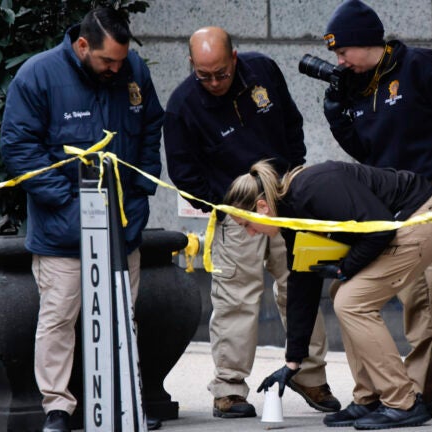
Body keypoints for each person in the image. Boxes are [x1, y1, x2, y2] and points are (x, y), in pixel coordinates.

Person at [319, 0, 432, 418]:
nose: (340, 62)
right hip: (401, 197)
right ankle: (422, 389)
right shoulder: (360, 86)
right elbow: (366, 151)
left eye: (343, 52)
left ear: (365, 42)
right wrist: (338, 116)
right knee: (415, 294)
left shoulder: (420, 66)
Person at [0, 7, 164, 432]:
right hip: (63, 232)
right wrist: (70, 204)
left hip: (123, 227)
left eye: (121, 61)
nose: (116, 68)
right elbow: (19, 148)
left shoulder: (132, 70)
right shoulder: (38, 75)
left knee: (121, 319)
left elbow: (149, 127)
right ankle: (59, 408)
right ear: (82, 45)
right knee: (58, 321)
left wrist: (142, 192)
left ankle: (123, 401)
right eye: (107, 61)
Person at [162, 26, 340, 418]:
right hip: (236, 213)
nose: (213, 82)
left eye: (221, 73)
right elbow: (185, 176)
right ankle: (228, 388)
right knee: (235, 299)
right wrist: (232, 203)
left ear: (235, 58)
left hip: (285, 200)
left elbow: (292, 123)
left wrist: (292, 179)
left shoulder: (263, 71)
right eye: (203, 74)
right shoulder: (182, 106)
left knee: (300, 285)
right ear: (191, 65)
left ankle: (310, 375)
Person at [226, 159, 432, 429]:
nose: (251, 234)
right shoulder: (291, 215)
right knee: (343, 295)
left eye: (246, 225)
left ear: (262, 208)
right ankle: (368, 399)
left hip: (424, 215)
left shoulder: (314, 189)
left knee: (352, 301)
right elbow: (302, 282)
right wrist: (292, 362)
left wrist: (344, 268)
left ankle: (402, 402)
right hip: (404, 220)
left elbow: (379, 226)